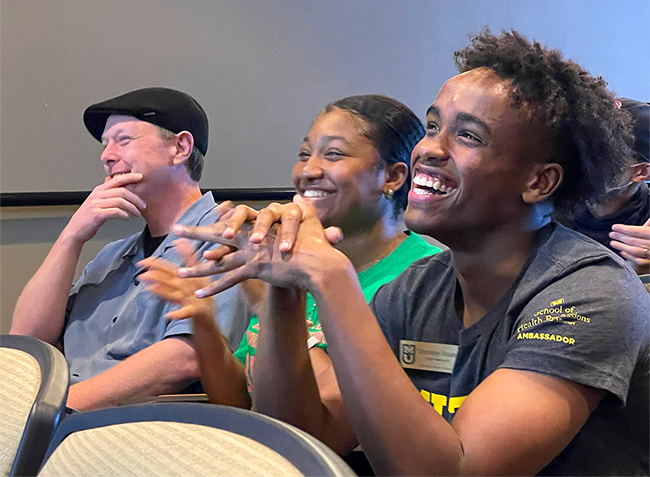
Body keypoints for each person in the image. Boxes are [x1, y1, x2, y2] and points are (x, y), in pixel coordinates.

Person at [175, 30, 650, 476]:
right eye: (432, 126)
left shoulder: (591, 293)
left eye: (467, 136)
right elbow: (305, 438)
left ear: (538, 182)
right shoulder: (415, 291)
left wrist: (333, 280)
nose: (429, 150)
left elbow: (456, 470)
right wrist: (283, 285)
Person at [140, 95, 440, 460]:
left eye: (332, 155)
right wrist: (203, 323)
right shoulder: (288, 260)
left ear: (392, 177)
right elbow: (244, 404)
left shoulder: (421, 279)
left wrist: (278, 295)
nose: (307, 171)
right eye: (303, 155)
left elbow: (319, 437)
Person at [10, 87, 246, 411]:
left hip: (128, 432)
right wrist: (71, 238)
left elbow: (185, 358)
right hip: (52, 420)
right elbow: (26, 342)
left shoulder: (227, 237)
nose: (106, 156)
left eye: (123, 140)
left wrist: (47, 414)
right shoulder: (110, 257)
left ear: (181, 148)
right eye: (105, 144)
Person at [564, 98, 650, 273]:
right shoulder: (549, 202)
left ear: (641, 172)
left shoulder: (644, 230)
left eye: (605, 154)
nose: (585, 159)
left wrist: (645, 275)